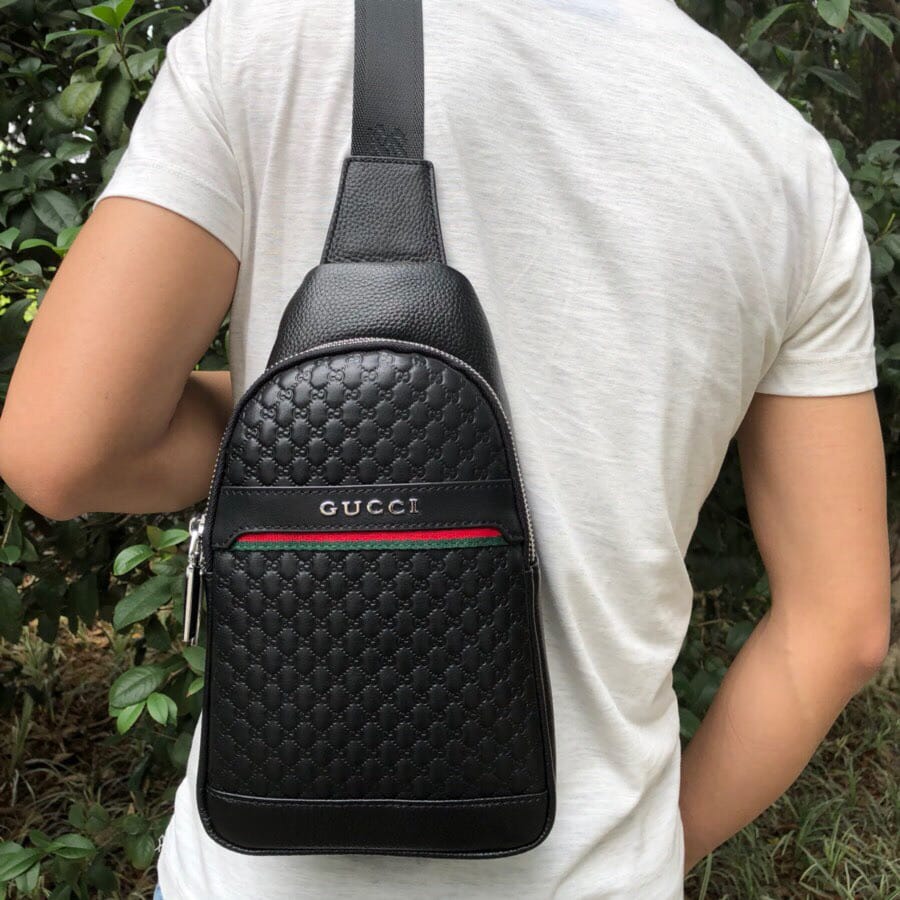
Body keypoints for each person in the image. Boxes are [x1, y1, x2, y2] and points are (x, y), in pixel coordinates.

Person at [0, 1, 890, 898]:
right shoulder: (785, 164)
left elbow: (64, 450)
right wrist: (646, 849)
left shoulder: (284, 30)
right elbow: (842, 628)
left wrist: (320, 429)